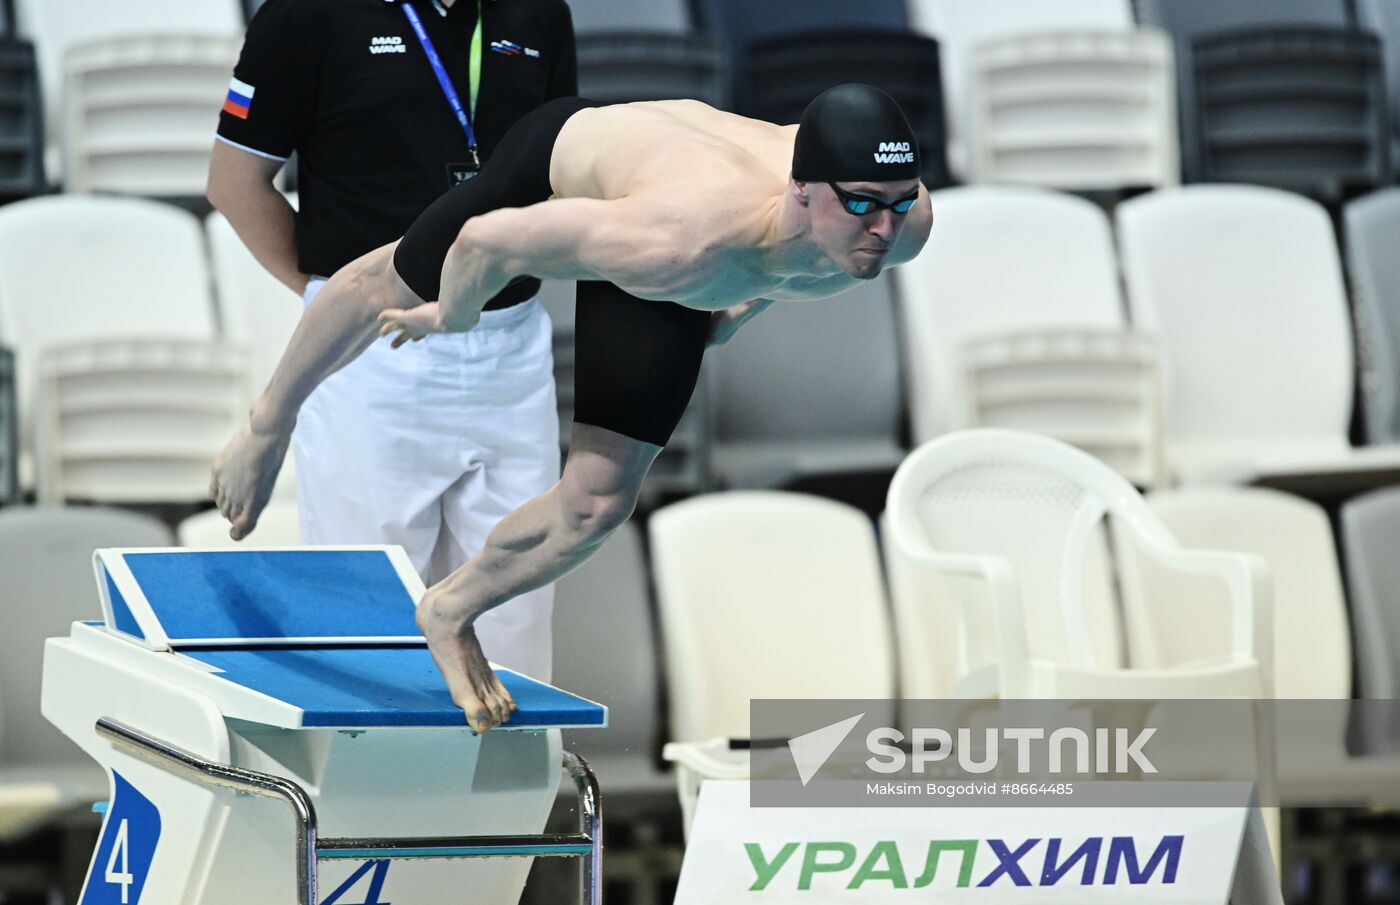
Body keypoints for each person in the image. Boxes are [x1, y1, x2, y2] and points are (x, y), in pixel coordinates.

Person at [210, 83, 933, 732]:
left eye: (899, 202)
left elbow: (803, 254)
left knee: (596, 505)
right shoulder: (676, 241)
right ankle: (266, 425)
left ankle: (450, 608)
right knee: (385, 284)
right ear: (804, 191)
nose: (884, 228)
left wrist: (750, 299)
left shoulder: (904, 224)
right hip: (571, 162)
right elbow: (487, 241)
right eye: (864, 204)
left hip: (706, 246)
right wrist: (455, 315)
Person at [206, 0, 576, 683]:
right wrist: (343, 301)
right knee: (369, 629)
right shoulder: (304, 15)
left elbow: (564, 179)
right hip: (373, 355)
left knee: (515, 635)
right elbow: (233, 183)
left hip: (512, 346)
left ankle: (506, 793)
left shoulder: (538, 12)